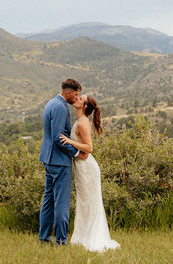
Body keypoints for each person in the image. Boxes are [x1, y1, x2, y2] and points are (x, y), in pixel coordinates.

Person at [59, 94, 120, 252]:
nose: (77, 99)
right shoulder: (80, 121)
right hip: (82, 167)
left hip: (87, 168)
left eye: (80, 99)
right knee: (84, 202)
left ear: (84, 107)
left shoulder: (83, 123)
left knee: (90, 203)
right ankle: (82, 236)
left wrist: (70, 141)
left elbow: (89, 148)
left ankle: (91, 238)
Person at [39, 79, 87, 245]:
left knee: (48, 200)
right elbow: (59, 138)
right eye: (76, 94)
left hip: (48, 158)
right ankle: (61, 241)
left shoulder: (51, 103)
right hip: (59, 161)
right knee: (61, 202)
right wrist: (76, 153)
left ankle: (44, 239)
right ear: (68, 93)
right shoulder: (60, 108)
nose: (76, 98)